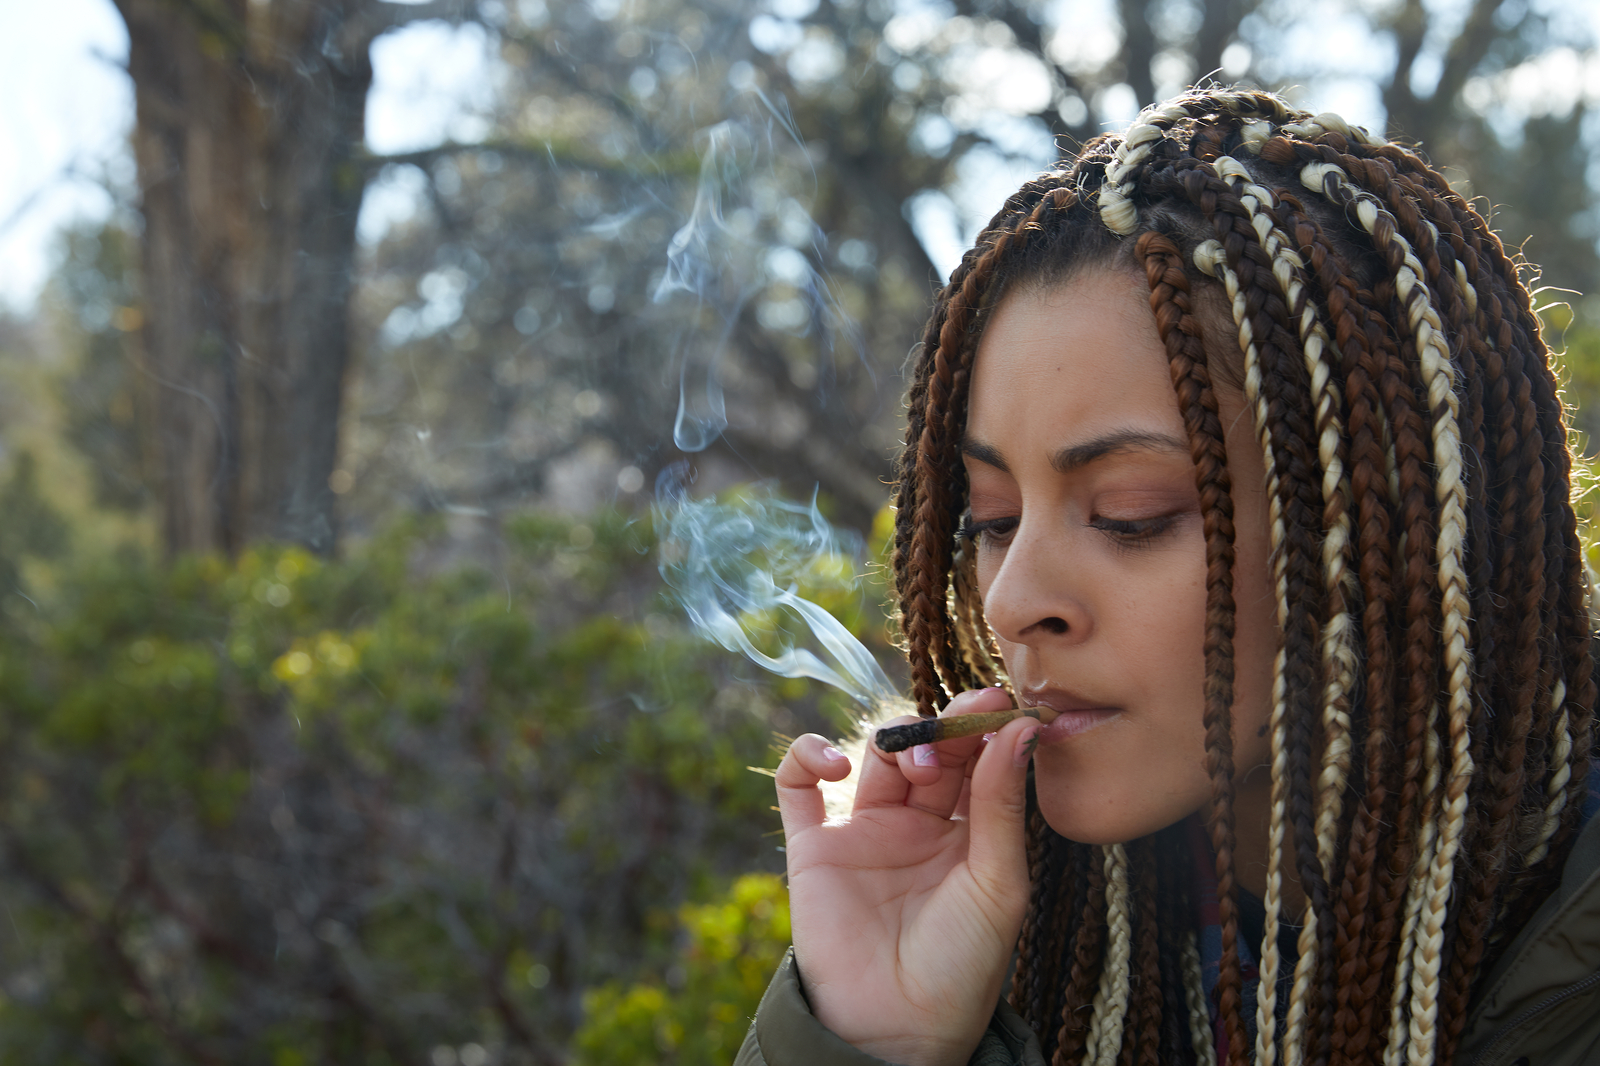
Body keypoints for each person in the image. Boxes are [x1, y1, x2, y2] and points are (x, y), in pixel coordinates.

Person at [734, 88, 1600, 1066]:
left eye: (1127, 515)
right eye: (991, 520)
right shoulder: (1023, 939)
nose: (1014, 600)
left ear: (1378, 520)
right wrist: (871, 1037)